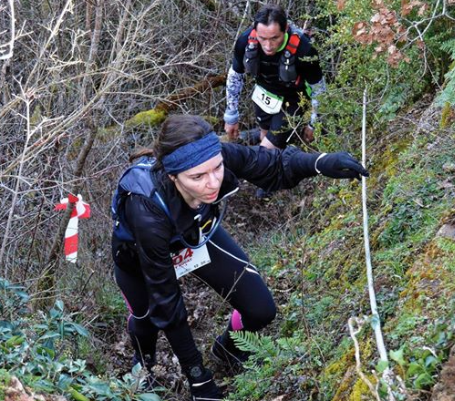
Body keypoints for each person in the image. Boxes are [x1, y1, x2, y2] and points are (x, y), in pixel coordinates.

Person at [110, 115, 367, 400]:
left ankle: (228, 348)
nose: (213, 183)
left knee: (260, 310)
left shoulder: (212, 155)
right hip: (139, 256)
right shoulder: (146, 210)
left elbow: (269, 163)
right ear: (173, 175)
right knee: (147, 317)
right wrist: (198, 378)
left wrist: (320, 162)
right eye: (197, 177)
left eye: (217, 169)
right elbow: (168, 303)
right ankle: (143, 367)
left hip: (194, 234)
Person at [223, 4, 326, 151]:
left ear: (285, 29)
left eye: (274, 38)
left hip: (293, 99)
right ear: (255, 31)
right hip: (263, 94)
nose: (268, 46)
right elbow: (235, 76)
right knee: (264, 138)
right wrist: (231, 115)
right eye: (262, 38)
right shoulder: (245, 41)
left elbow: (319, 88)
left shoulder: (304, 49)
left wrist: (314, 124)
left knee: (266, 150)